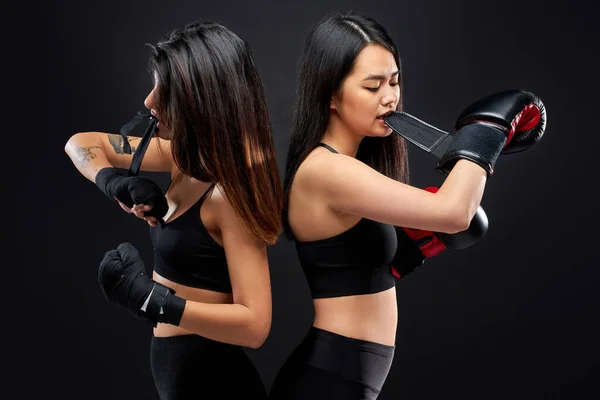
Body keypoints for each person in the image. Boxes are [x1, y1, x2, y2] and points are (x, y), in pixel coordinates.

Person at [268, 11, 545, 400]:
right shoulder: (325, 170)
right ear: (331, 94)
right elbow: (455, 212)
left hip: (346, 377)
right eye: (372, 86)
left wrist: (414, 245)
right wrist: (489, 130)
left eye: (395, 82)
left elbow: (358, 273)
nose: (390, 97)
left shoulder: (348, 167)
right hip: (328, 381)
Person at [64, 20, 283, 400]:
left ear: (203, 99)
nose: (149, 101)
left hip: (216, 384)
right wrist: (114, 183)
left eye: (164, 91)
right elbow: (80, 143)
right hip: (182, 380)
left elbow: (256, 326)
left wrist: (154, 300)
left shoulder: (227, 195)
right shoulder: (183, 156)